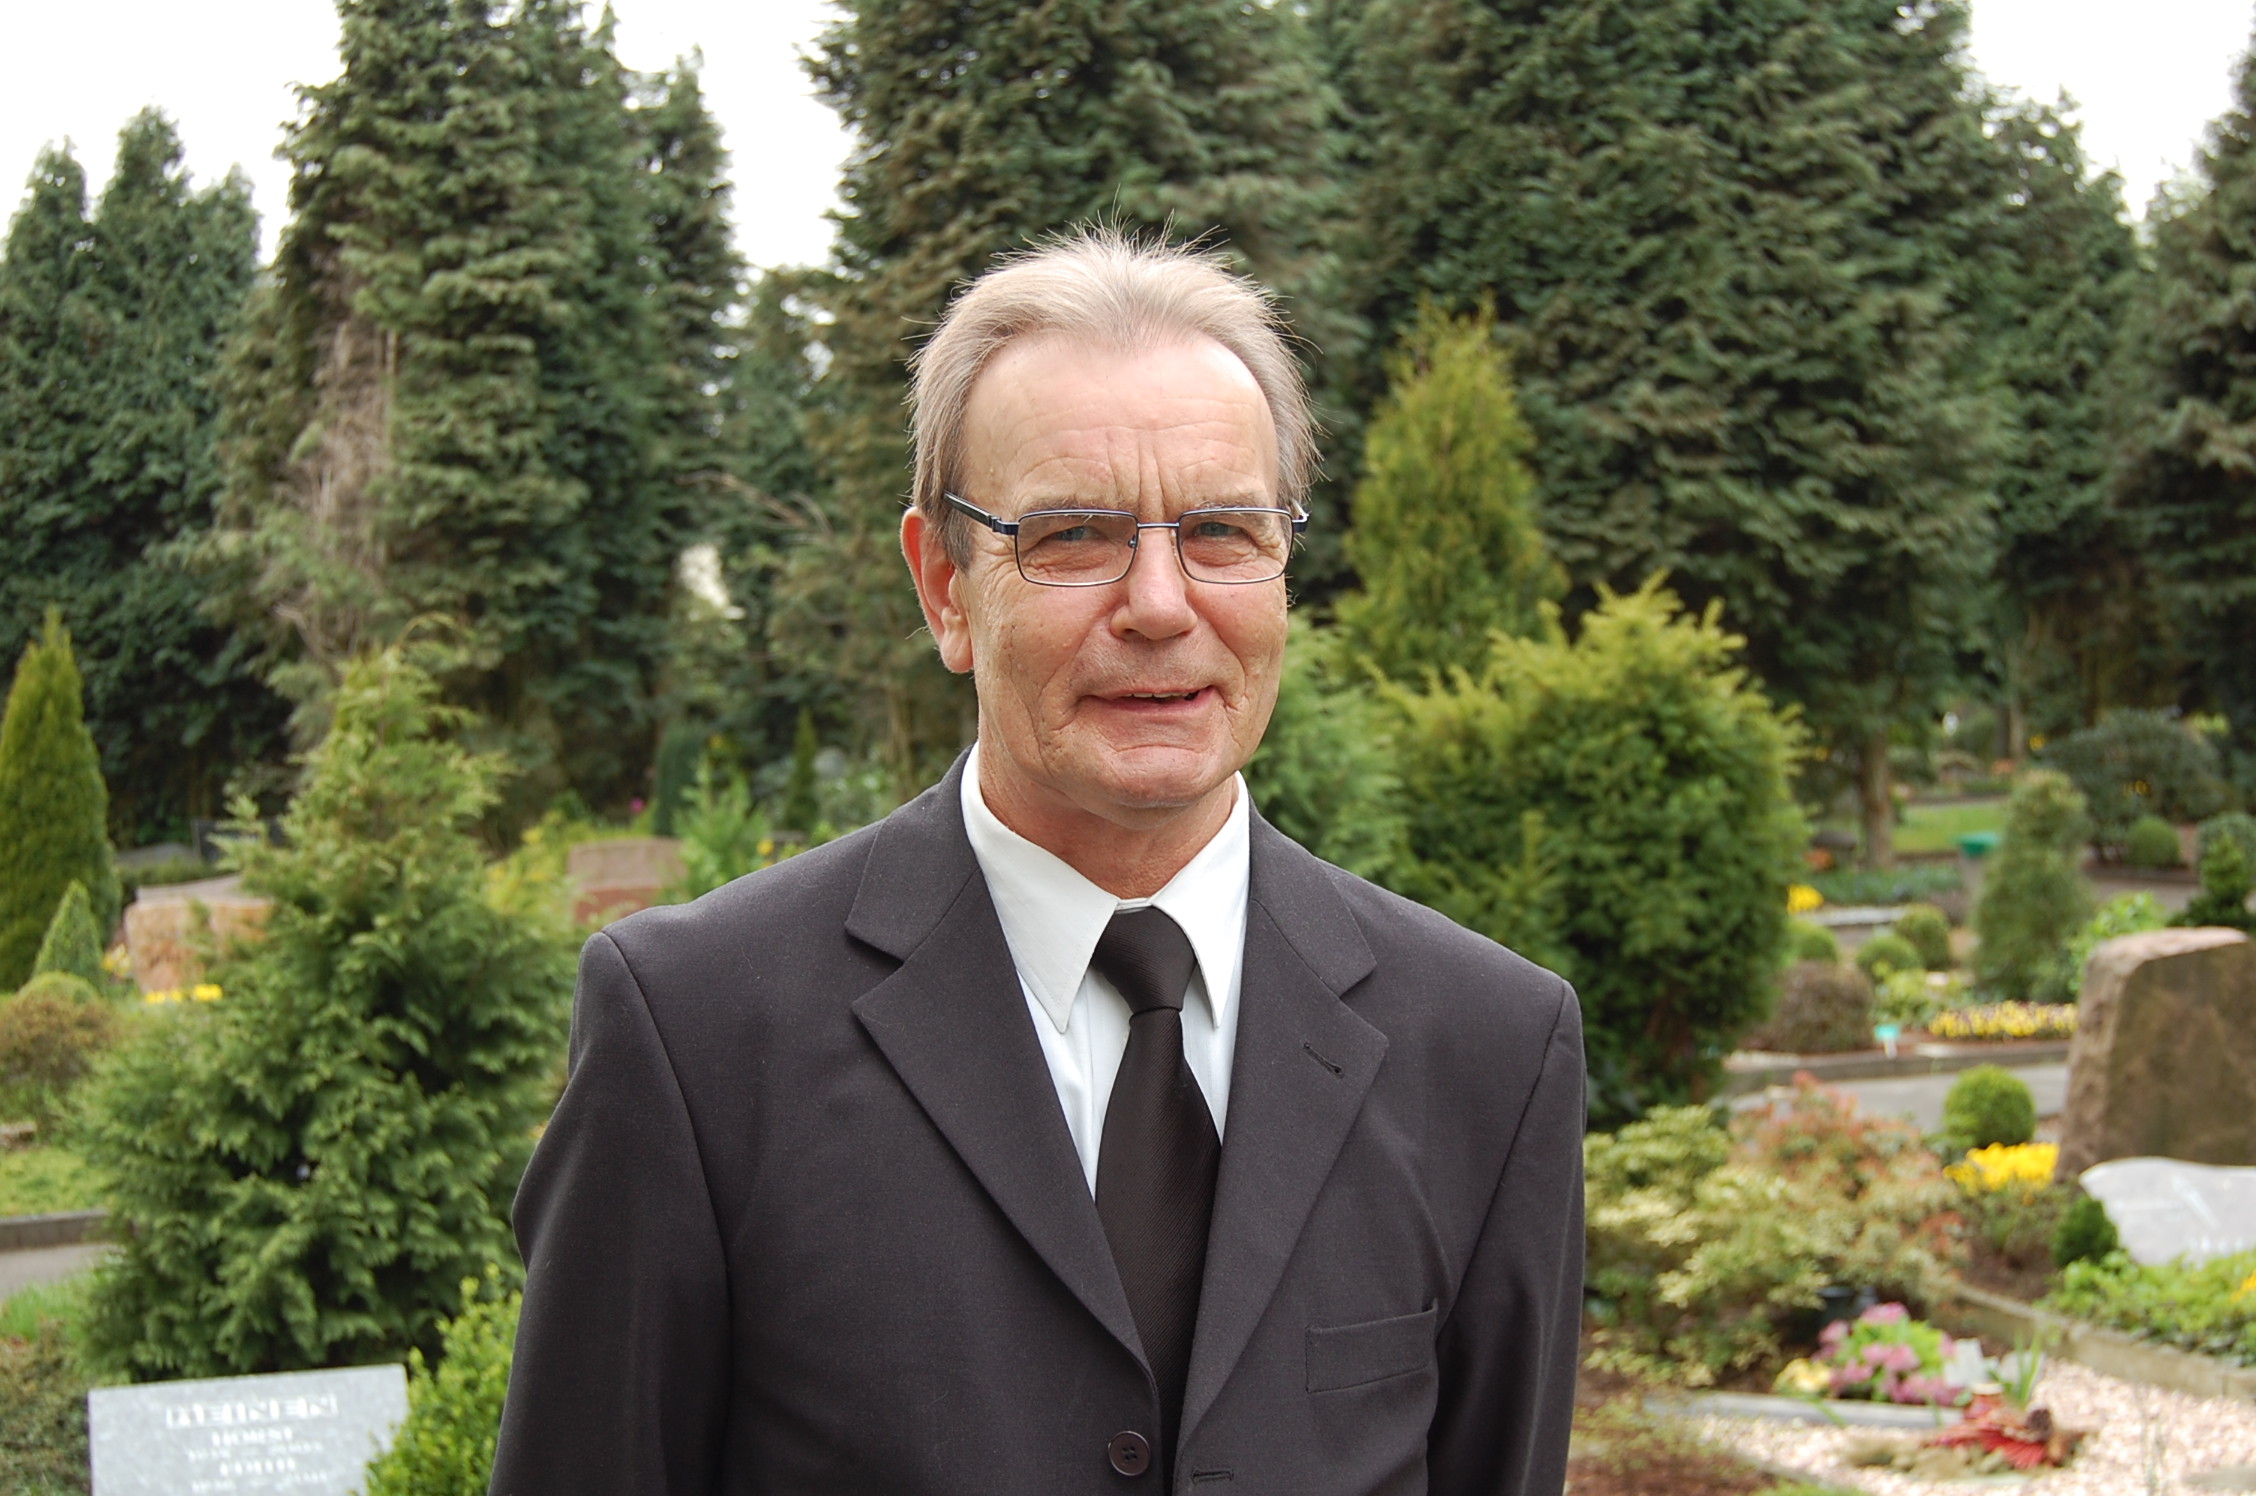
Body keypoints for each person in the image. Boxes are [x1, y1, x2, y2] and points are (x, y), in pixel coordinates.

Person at [489, 231, 1584, 1495]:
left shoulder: (1490, 1049)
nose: (1161, 603)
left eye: (1221, 530)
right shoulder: (697, 1035)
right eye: (1074, 535)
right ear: (944, 587)